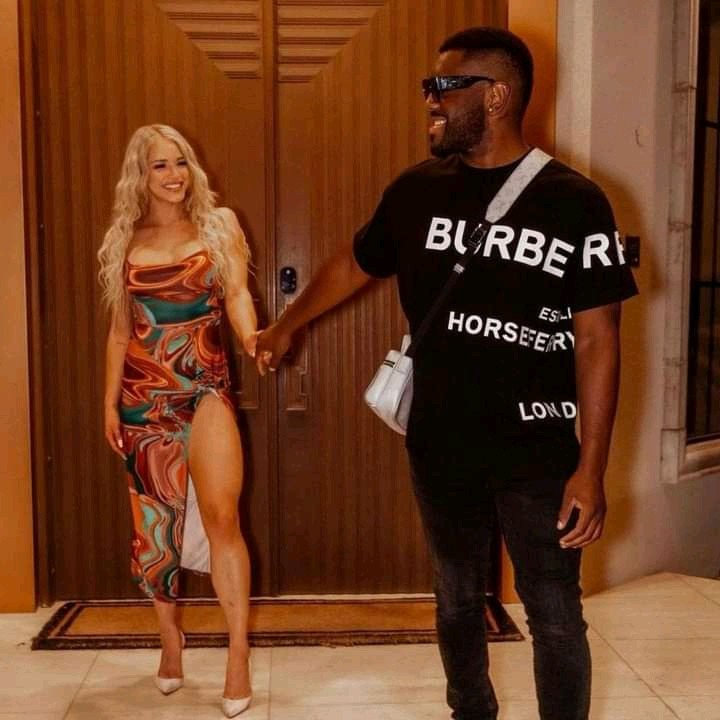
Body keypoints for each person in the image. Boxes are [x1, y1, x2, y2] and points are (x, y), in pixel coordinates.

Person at [255, 27, 637, 720]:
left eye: (444, 86)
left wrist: (591, 468)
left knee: (554, 612)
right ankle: (471, 713)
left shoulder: (575, 202)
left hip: (538, 447)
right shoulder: (416, 191)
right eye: (428, 87)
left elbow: (597, 341)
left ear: (495, 96)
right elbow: (353, 263)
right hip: (440, 440)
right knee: (456, 599)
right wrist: (289, 322)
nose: (429, 100)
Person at [98, 124, 257, 717]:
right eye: (159, 165)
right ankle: (170, 640)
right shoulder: (125, 239)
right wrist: (108, 404)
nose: (173, 175)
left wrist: (253, 340)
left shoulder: (220, 224)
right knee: (156, 530)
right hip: (144, 399)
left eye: (180, 163)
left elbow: (237, 295)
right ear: (140, 176)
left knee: (223, 518)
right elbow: (120, 332)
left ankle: (238, 654)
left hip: (207, 388)